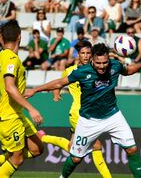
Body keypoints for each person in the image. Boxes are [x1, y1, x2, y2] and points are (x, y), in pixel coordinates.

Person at [25, 43, 141, 178]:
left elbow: (127, 70)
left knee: (132, 149)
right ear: (92, 60)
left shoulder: (115, 65)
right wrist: (35, 90)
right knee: (76, 158)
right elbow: (59, 83)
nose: (102, 66)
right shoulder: (82, 72)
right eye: (98, 63)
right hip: (88, 120)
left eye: (105, 62)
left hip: (113, 116)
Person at [0, 20, 44, 178]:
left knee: (37, 149)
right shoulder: (10, 59)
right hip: (10, 118)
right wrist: (32, 109)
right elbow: (9, 86)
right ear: (19, 37)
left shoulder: (0, 56)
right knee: (17, 159)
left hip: (15, 114)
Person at [38, 40, 112, 178]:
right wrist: (56, 94)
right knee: (96, 144)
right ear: (78, 54)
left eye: (88, 53)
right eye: (83, 53)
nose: (85, 56)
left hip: (91, 113)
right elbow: (59, 84)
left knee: (72, 149)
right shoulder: (70, 71)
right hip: (78, 114)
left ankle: (43, 137)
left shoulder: (96, 69)